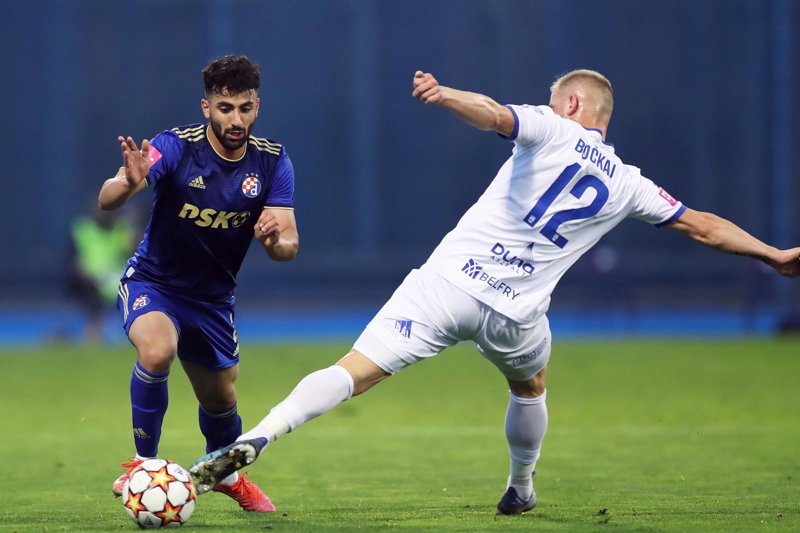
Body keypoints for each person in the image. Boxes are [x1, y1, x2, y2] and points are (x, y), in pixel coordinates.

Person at [188, 69, 800, 515]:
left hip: (447, 285)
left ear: (573, 103)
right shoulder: (631, 184)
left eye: (555, 99)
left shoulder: (552, 126)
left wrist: (445, 94)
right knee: (530, 386)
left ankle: (258, 437)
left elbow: (493, 113)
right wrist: (773, 255)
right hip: (516, 314)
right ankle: (521, 487)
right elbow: (703, 226)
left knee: (353, 371)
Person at [98, 55, 299, 513]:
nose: (236, 119)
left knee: (221, 397)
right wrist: (128, 183)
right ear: (206, 107)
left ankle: (225, 474)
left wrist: (274, 240)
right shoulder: (174, 146)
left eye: (245, 108)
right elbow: (107, 198)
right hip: (154, 283)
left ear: (257, 106)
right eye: (225, 108)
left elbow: (288, 244)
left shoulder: (272, 161)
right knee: (157, 351)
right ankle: (142, 464)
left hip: (211, 301)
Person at [69, 205, 135, 343]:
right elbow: (73, 258)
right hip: (91, 278)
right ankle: (94, 329)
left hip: (118, 277)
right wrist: (83, 271)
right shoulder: (84, 229)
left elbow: (132, 252)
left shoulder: (122, 229)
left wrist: (132, 231)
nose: (104, 215)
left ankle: (133, 327)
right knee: (87, 284)